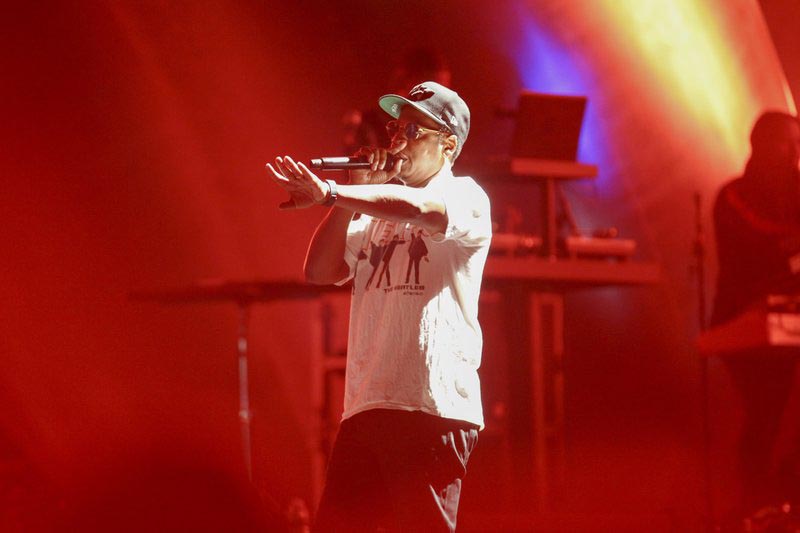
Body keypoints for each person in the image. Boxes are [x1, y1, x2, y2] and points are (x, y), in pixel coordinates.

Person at [266, 81, 491, 532]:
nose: (398, 140)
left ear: (448, 144)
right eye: (395, 128)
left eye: (413, 130)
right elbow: (319, 271)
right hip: (366, 406)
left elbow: (419, 210)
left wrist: (332, 192)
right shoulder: (373, 208)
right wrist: (348, 198)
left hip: (429, 409)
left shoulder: (466, 195)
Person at [711, 110, 800, 514]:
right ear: (761, 145)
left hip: (786, 319)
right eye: (787, 143)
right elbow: (758, 253)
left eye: (798, 144)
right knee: (764, 411)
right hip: (743, 319)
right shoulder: (733, 196)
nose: (795, 153)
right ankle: (754, 502)